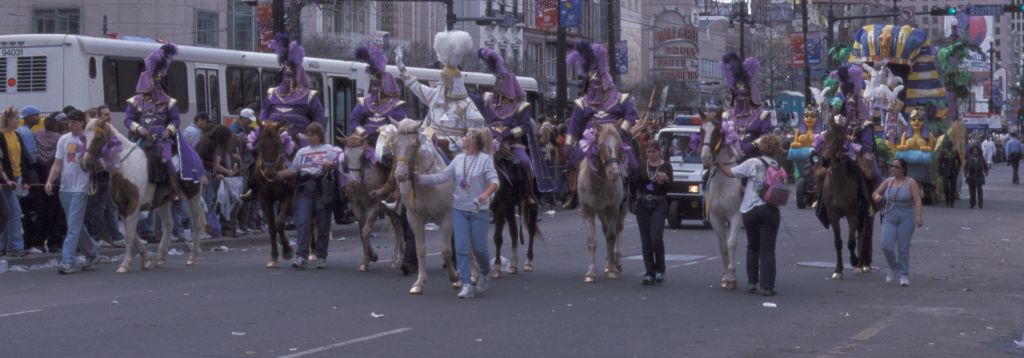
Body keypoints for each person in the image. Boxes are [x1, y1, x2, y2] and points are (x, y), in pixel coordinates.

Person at [411, 128, 498, 299]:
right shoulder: (458, 159)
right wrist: (419, 178)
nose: (463, 139)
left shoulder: (485, 160)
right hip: (459, 209)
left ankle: (484, 272)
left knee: (480, 249)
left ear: (473, 141)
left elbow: (495, 181)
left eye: (466, 137)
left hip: (478, 209)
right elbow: (442, 177)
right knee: (462, 248)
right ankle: (466, 284)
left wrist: (485, 195)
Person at [562, 40, 639, 209]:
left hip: (615, 138)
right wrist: (568, 145)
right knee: (572, 161)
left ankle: (633, 194)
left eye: (599, 85)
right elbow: (573, 127)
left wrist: (622, 132)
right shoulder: (582, 103)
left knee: (633, 164)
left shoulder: (621, 99)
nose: (595, 88)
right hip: (590, 140)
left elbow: (630, 117)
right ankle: (573, 194)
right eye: (592, 85)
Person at [472, 47, 553, 205]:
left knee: (524, 162)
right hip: (490, 143)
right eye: (497, 83)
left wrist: (507, 135)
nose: (497, 86)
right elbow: (473, 99)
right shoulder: (488, 100)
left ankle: (528, 193)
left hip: (513, 144)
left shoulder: (521, 106)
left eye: (500, 84)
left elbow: (525, 126)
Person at [125, 43, 203, 192]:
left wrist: (169, 130)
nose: (153, 87)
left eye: (155, 84)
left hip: (162, 140)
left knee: (166, 160)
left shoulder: (169, 102)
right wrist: (139, 128)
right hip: (139, 139)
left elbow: (176, 120)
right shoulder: (134, 102)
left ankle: (173, 190)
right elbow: (128, 120)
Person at [715, 135, 785, 296]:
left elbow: (728, 172)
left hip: (750, 209)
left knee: (752, 247)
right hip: (771, 209)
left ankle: (752, 283)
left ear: (761, 148)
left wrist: (717, 160)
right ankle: (767, 286)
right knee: (768, 250)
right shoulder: (778, 165)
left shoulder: (753, 162)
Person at [275, 123, 342, 269]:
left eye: (312, 135)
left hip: (323, 188)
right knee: (303, 222)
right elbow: (294, 169)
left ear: (319, 135)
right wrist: (277, 175)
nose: (309, 137)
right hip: (305, 188)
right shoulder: (302, 152)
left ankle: (321, 256)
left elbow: (340, 164)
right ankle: (301, 257)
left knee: (323, 224)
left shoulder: (330, 149)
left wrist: (332, 164)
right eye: (308, 135)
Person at [44, 110, 97, 274]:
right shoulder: (63, 139)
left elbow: (98, 162)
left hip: (81, 188)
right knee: (77, 226)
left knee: (72, 226)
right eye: (69, 122)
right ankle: (92, 253)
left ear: (82, 123)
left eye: (74, 122)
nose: (70, 124)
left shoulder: (88, 140)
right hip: (65, 188)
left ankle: (68, 261)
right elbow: (57, 164)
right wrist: (50, 181)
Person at [260, 33, 325, 150]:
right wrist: (266, 127)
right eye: (285, 75)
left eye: (291, 75)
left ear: (298, 76)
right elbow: (264, 114)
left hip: (300, 139)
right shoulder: (272, 94)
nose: (287, 79)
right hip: (273, 137)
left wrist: (309, 134)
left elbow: (319, 119)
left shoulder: (309, 96)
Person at [872, 158, 923, 287]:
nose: (893, 169)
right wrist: (877, 196)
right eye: (892, 166)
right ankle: (893, 266)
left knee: (903, 248)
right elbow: (876, 192)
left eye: (896, 167)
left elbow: (917, 200)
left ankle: (904, 274)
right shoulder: (889, 181)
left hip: (907, 216)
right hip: (890, 216)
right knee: (886, 245)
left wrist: (919, 216)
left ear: (903, 169)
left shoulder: (911, 183)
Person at [629, 141, 672, 285]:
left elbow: (670, 187)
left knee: (656, 238)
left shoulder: (666, 166)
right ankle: (649, 272)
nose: (651, 155)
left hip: (659, 202)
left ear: (659, 151)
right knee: (645, 240)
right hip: (643, 204)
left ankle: (660, 269)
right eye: (649, 152)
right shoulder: (642, 166)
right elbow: (634, 184)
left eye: (654, 151)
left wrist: (665, 180)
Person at [0, 107, 38, 257]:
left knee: (9, 214)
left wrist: (26, 179)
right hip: (6, 181)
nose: (18, 120)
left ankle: (6, 246)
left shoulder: (16, 135)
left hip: (17, 178)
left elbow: (23, 158)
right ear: (8, 119)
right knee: (14, 212)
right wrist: (8, 179)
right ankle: (15, 247)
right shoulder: (1, 136)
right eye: (16, 118)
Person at [937, 141, 961, 208]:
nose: (949, 146)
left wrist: (957, 169)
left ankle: (952, 202)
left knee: (953, 188)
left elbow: (959, 162)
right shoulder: (943, 153)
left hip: (953, 172)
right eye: (947, 145)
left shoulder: (955, 152)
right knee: (946, 186)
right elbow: (940, 163)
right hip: (945, 171)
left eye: (950, 145)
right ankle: (947, 199)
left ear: (952, 146)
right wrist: (940, 171)